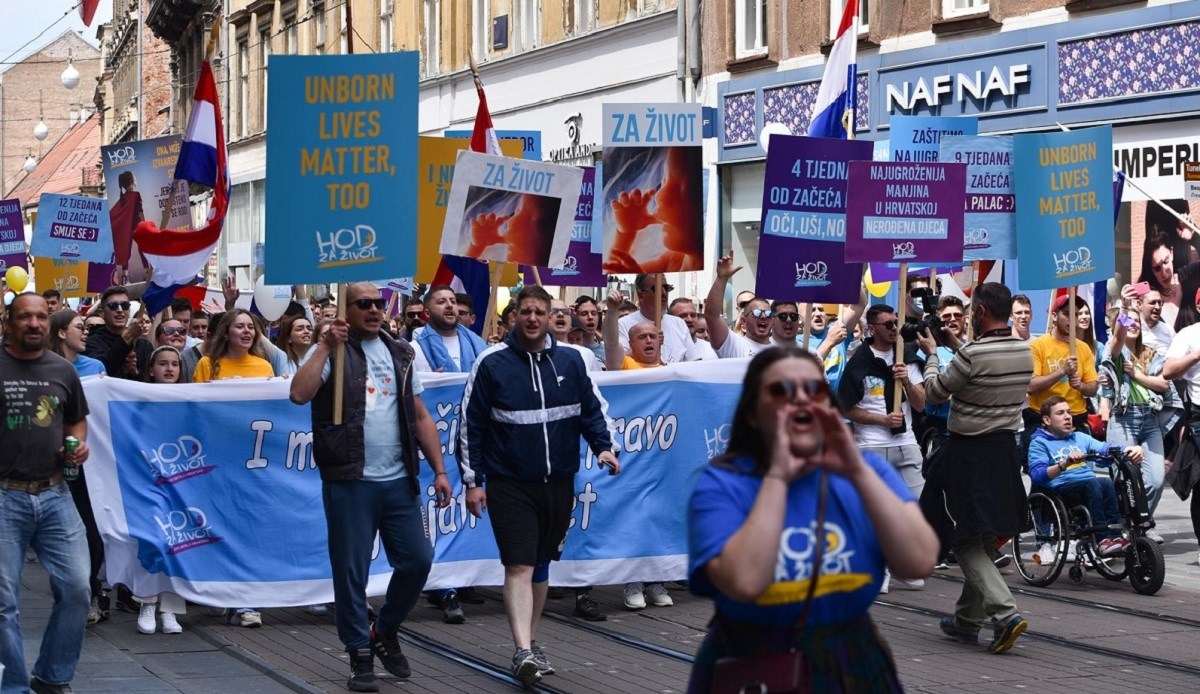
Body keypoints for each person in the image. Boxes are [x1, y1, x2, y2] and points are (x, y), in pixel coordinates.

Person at [686, 346, 938, 693]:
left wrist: (855, 469)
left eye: (814, 389)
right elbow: (744, 581)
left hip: (850, 657)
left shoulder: (868, 474)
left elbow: (919, 561)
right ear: (753, 414)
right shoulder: (722, 483)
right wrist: (777, 477)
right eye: (781, 391)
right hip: (753, 661)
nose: (801, 400)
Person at [290, 282, 453, 691]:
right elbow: (298, 393)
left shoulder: (400, 351)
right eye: (363, 304)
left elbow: (419, 415)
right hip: (350, 478)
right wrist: (326, 346)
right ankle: (359, 653)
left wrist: (440, 470)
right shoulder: (333, 349)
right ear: (347, 308)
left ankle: (384, 630)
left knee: (418, 560)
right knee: (351, 571)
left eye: (378, 303)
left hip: (400, 479)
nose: (374, 309)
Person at [459, 284, 621, 687]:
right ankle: (522, 650)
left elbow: (592, 411)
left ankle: (532, 642)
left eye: (539, 312)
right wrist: (472, 482)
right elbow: (470, 427)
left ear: (549, 317)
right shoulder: (491, 363)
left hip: (558, 482)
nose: (532, 318)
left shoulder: (571, 361)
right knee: (519, 564)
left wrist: (604, 447)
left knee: (541, 566)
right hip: (509, 482)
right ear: (514, 316)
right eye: (525, 311)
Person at [915, 282, 1034, 654]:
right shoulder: (1024, 351)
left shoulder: (972, 355)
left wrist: (933, 353)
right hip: (1003, 452)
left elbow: (935, 392)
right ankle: (967, 623)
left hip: (968, 455)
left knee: (964, 540)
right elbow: (983, 364)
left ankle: (1006, 613)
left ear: (980, 312)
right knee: (985, 537)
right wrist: (957, 346)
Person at [0, 293, 92, 694]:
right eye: (25, 317)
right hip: (3, 497)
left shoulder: (63, 370)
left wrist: (78, 445)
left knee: (77, 588)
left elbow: (76, 422)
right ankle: (14, 686)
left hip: (55, 494)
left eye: (41, 317)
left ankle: (53, 676)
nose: (34, 324)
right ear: (9, 322)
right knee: (3, 604)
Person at [839, 304, 927, 591]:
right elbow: (847, 408)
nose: (893, 328)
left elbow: (921, 403)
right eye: (887, 324)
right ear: (872, 328)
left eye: (895, 323)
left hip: (906, 441)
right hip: (872, 445)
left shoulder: (908, 357)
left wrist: (906, 381)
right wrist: (881, 419)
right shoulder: (859, 362)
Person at [46, 310, 108, 625]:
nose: (85, 333)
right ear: (59, 332)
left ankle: (91, 593)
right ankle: (69, 595)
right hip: (46, 468)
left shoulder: (95, 368)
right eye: (79, 327)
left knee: (91, 533)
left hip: (88, 465)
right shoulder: (43, 367)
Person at [1028, 397, 1143, 558]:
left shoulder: (1079, 437)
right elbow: (1037, 475)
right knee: (1094, 483)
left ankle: (1116, 536)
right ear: (1047, 420)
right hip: (1061, 488)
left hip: (1087, 485)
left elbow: (1106, 448)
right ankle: (1102, 540)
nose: (1068, 416)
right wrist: (1064, 464)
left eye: (1068, 412)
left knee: (1106, 481)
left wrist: (1130, 449)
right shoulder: (1039, 443)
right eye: (1060, 413)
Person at [133, 345, 188, 635]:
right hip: (148, 484)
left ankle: (170, 609)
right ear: (151, 370)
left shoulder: (189, 402)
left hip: (182, 485)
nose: (169, 369)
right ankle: (147, 603)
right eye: (163, 364)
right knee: (153, 542)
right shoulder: (140, 402)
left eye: (175, 364)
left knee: (179, 544)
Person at [1101, 308, 1169, 530]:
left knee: (1157, 479)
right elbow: (1119, 337)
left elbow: (1163, 384)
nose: (1133, 324)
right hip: (1124, 418)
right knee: (1124, 478)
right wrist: (1126, 305)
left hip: (1150, 419)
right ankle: (1127, 527)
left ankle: (1138, 525)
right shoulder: (1116, 352)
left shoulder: (1150, 353)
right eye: (1127, 320)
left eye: (1136, 320)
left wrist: (1137, 374)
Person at [604, 146, 703, 273]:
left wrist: (639, 275)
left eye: (682, 188)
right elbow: (613, 270)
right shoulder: (672, 257)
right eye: (664, 181)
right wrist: (626, 233)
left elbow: (615, 271)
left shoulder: (675, 260)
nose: (659, 196)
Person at [1025, 294, 1099, 443]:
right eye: (1066, 313)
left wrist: (1081, 386)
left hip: (1076, 422)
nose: (1072, 319)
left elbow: (1093, 388)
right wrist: (1062, 371)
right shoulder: (1037, 346)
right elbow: (1031, 386)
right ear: (1054, 316)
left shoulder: (1083, 348)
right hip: (1043, 423)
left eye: (1076, 314)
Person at [619, 272, 706, 363]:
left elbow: (694, 361)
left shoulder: (679, 324)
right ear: (640, 295)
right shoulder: (623, 324)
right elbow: (619, 362)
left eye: (666, 287)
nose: (664, 293)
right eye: (656, 288)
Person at [704, 254, 775, 358]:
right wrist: (721, 278)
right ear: (743, 321)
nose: (764, 317)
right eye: (757, 313)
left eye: (768, 314)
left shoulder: (781, 351)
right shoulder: (734, 344)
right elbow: (712, 316)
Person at [411, 286, 487, 374]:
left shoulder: (479, 344)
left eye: (453, 301)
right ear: (427, 313)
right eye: (441, 302)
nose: (450, 305)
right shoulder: (414, 350)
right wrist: (431, 384)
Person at [84, 285, 154, 379]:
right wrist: (127, 337)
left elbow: (151, 382)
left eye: (125, 306)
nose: (120, 310)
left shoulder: (144, 345)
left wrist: (135, 372)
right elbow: (100, 373)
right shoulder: (91, 342)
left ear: (129, 311)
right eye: (113, 306)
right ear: (103, 313)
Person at [191, 310, 274, 383]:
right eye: (239, 326)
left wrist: (284, 382)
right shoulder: (206, 364)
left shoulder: (265, 367)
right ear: (226, 333)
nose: (247, 330)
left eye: (251, 327)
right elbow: (197, 398)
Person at [109, 170, 146, 279]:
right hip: (138, 226)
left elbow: (114, 213)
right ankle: (148, 271)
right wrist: (145, 225)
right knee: (142, 249)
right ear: (132, 181)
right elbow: (140, 212)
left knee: (126, 250)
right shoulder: (136, 195)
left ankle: (125, 276)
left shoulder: (123, 198)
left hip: (127, 228)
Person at [48, 310, 105, 378]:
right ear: (62, 333)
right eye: (80, 327)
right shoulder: (41, 367)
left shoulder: (96, 367)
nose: (86, 332)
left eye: (86, 328)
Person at [573, 296, 605, 362]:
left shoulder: (606, 349)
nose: (590, 317)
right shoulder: (570, 347)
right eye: (584, 314)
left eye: (594, 313)